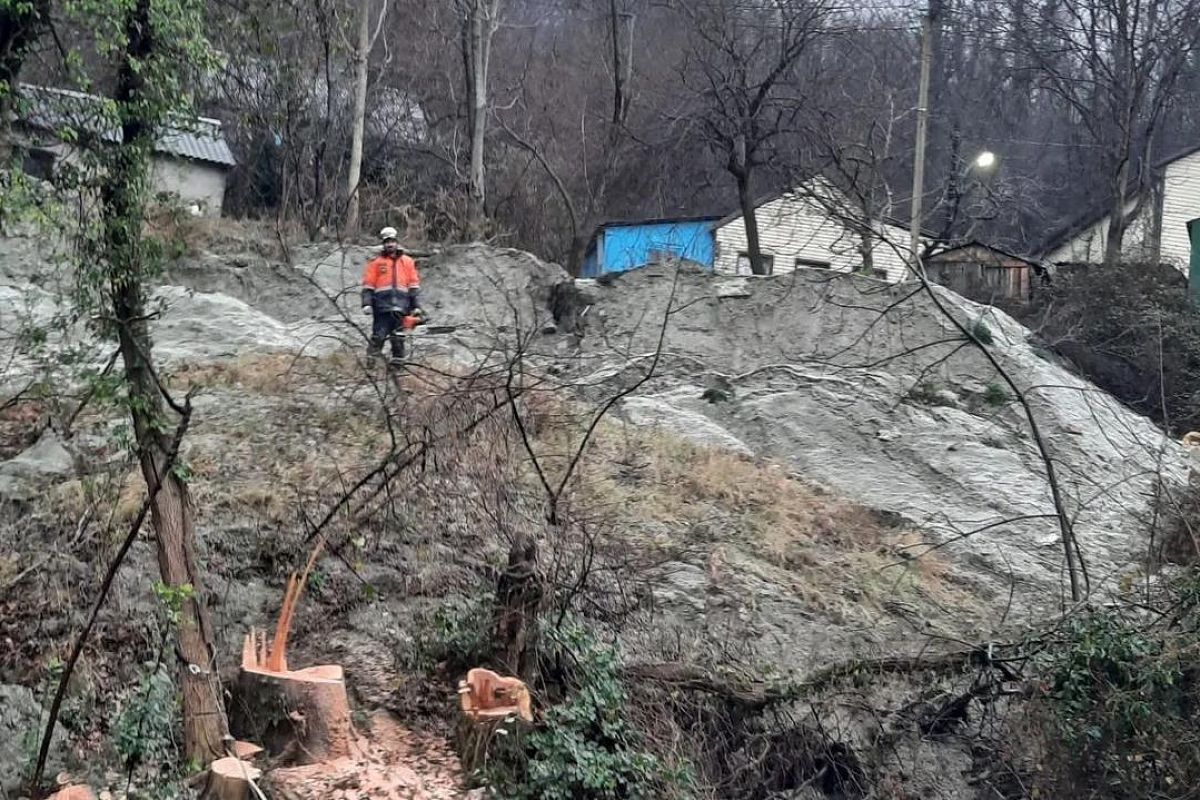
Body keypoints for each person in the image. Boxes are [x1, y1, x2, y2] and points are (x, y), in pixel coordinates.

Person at [361, 226, 421, 367]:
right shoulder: (375, 263)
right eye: (387, 241)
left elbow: (413, 286)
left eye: (392, 241)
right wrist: (366, 303)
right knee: (378, 337)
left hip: (402, 307)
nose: (390, 244)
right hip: (381, 308)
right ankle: (370, 366)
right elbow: (368, 286)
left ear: (396, 242)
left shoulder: (407, 262)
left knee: (398, 340)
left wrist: (416, 306)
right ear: (383, 243)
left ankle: (397, 370)